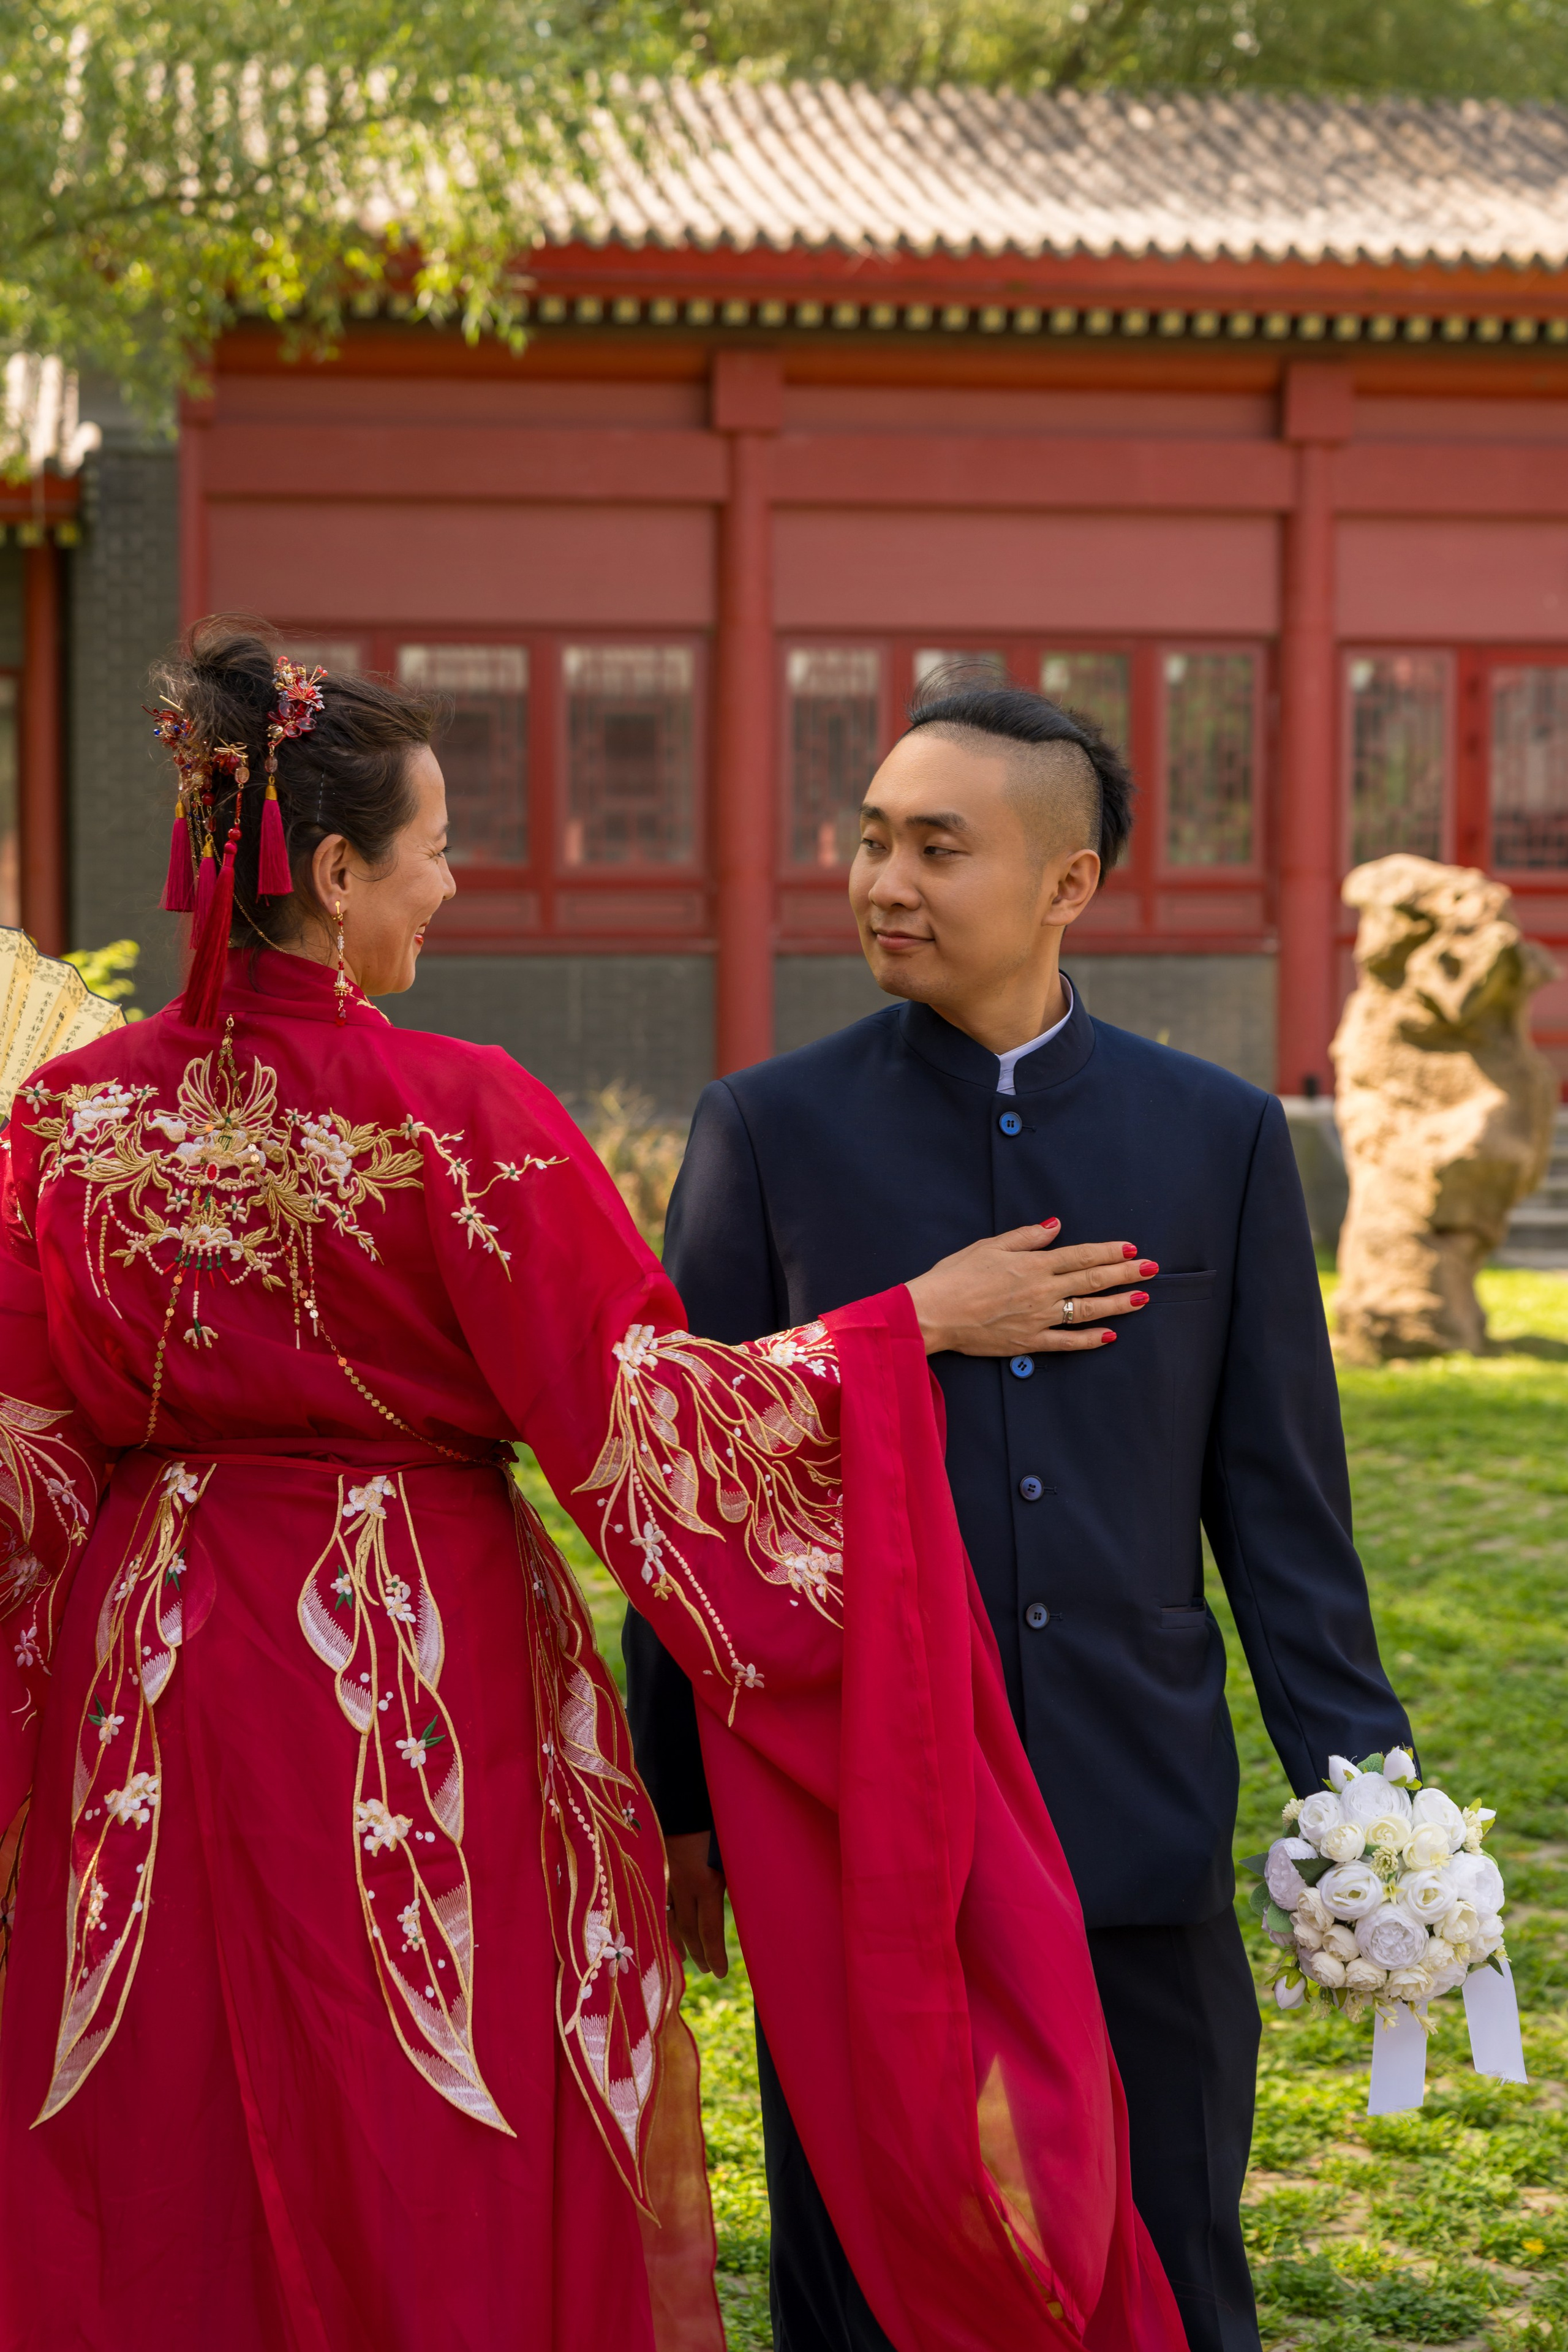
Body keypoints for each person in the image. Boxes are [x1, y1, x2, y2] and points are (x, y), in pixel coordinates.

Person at [0, 624, 1186, 2352]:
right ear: (335, 874)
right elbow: (642, 1425)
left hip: (148, 1669)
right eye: (432, 849)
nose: (455, 881)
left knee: (139, 2081)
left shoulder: (69, 1123)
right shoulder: (461, 1115)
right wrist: (897, 1328)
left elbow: (28, 1450)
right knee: (430, 2086)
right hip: (402, 1662)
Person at [625, 677, 1415, 2352]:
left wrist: (1369, 1793)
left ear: (1068, 884)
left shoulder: (1214, 1139)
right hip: (857, 1820)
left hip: (1132, 1804)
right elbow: (683, 1482)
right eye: (869, 840)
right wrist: (675, 1801)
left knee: (1167, 2245)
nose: (884, 880)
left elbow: (1281, 1507)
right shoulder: (768, 1130)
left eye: (937, 846)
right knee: (870, 2273)